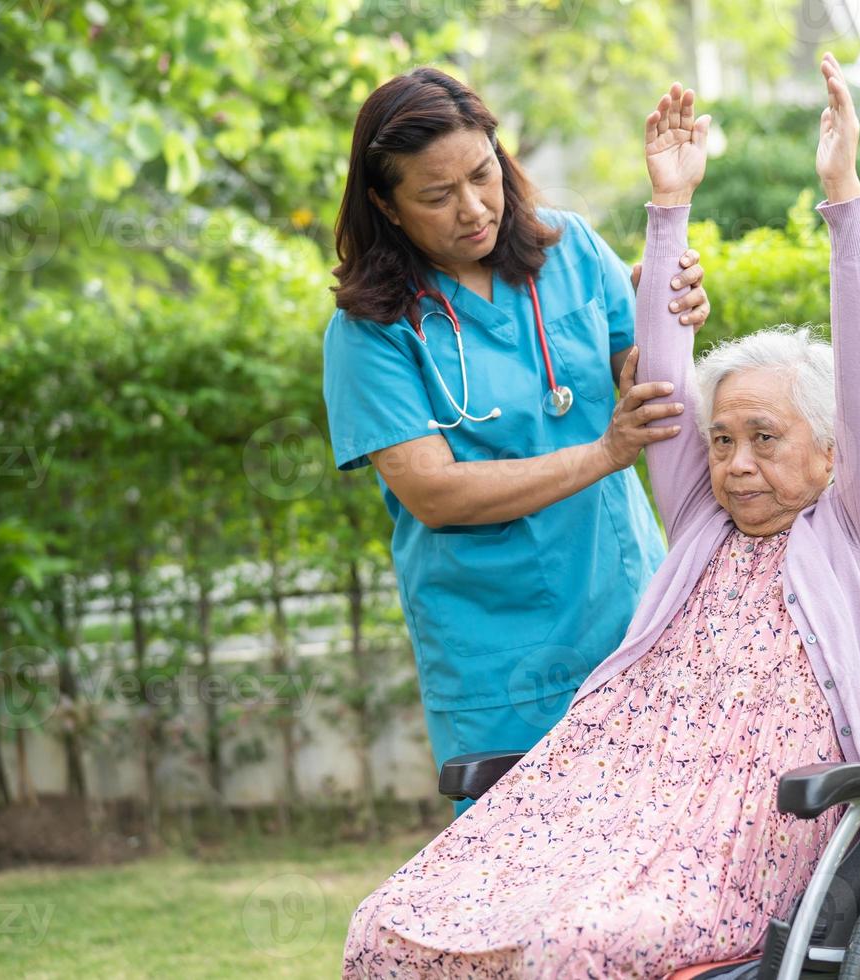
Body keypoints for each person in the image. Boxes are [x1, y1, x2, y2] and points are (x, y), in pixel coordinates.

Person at [341, 53, 860, 979]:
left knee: (563, 947)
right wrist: (670, 201)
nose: (736, 465)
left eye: (766, 439)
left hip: (733, 830)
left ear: (831, 452)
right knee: (388, 928)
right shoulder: (702, 518)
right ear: (388, 205)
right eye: (720, 441)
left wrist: (841, 192)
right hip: (584, 755)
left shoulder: (847, 531)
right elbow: (657, 395)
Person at [322, 68, 713, 817]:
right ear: (386, 206)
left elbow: (644, 379)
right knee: (520, 884)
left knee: (657, 859)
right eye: (437, 195)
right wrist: (603, 453)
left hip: (632, 617)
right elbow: (432, 492)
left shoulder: (570, 251)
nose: (473, 208)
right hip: (500, 661)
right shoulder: (370, 330)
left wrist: (673, 302)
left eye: (482, 174)